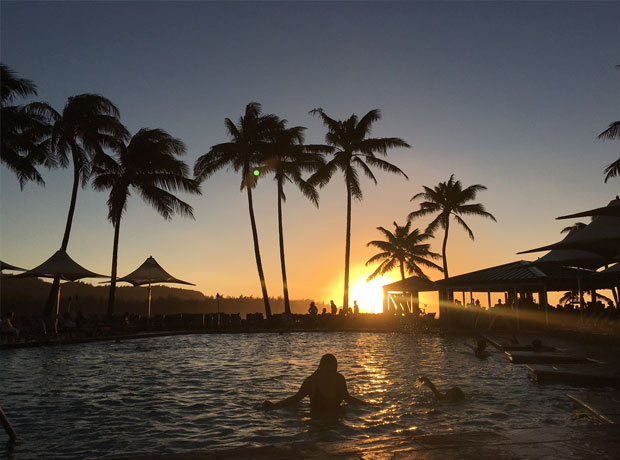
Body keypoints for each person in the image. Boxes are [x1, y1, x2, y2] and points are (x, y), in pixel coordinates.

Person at [262, 353, 367, 412]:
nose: (331, 374)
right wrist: (274, 406)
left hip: (336, 421)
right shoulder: (311, 381)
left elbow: (347, 398)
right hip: (317, 421)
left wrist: (368, 406)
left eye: (334, 370)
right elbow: (296, 398)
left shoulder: (339, 379)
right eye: (329, 371)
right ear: (321, 367)